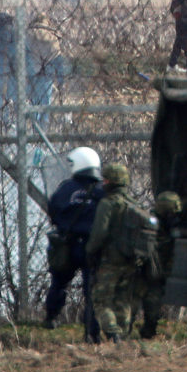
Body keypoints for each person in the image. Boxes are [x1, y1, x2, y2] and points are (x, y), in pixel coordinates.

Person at [43, 146, 105, 342]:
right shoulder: (102, 191)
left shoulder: (65, 189)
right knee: (92, 291)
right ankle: (91, 333)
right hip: (92, 247)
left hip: (67, 245)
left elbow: (53, 210)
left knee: (59, 283)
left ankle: (51, 317)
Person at [86, 162, 143, 343]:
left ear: (109, 181)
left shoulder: (107, 203)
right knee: (123, 300)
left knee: (102, 300)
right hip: (131, 260)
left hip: (110, 260)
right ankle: (123, 336)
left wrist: (90, 251)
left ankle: (112, 333)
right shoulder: (134, 204)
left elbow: (99, 233)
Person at [138, 191, 181, 339]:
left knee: (153, 300)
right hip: (147, 270)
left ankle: (148, 329)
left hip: (158, 270)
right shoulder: (149, 224)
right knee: (149, 300)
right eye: (171, 213)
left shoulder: (168, 225)